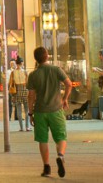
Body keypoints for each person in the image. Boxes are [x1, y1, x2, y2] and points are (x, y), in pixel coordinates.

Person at [27, 46, 72, 178]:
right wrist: (64, 99)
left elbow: (31, 96)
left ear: (36, 59)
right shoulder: (56, 69)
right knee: (61, 138)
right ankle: (60, 156)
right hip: (56, 109)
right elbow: (69, 84)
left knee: (43, 140)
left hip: (40, 111)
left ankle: (46, 167)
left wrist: (30, 113)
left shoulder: (33, 75)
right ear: (47, 56)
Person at [9, 58, 31, 132]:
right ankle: (27, 127)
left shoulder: (13, 73)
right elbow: (28, 82)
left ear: (16, 63)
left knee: (18, 110)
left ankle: (21, 127)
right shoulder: (25, 72)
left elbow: (11, 83)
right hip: (25, 90)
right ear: (22, 63)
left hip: (17, 91)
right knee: (26, 110)